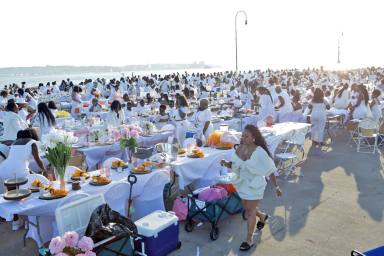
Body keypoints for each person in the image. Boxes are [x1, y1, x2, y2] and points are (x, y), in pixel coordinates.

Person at [220, 125, 282, 251]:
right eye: (242, 136)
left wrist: (276, 187)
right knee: (247, 207)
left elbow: (270, 170)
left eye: (246, 136)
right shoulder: (240, 149)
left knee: (249, 211)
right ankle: (263, 216)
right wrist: (226, 163)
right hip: (242, 183)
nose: (243, 138)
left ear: (254, 138)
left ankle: (249, 239)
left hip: (255, 185)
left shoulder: (260, 152)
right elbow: (235, 165)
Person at [0, 128, 46, 230]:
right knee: (28, 195)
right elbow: (38, 160)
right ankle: (28, 222)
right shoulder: (32, 143)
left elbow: (17, 160)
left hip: (4, 169)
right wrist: (45, 171)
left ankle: (15, 223)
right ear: (33, 136)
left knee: (13, 196)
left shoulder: (16, 142)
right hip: (19, 170)